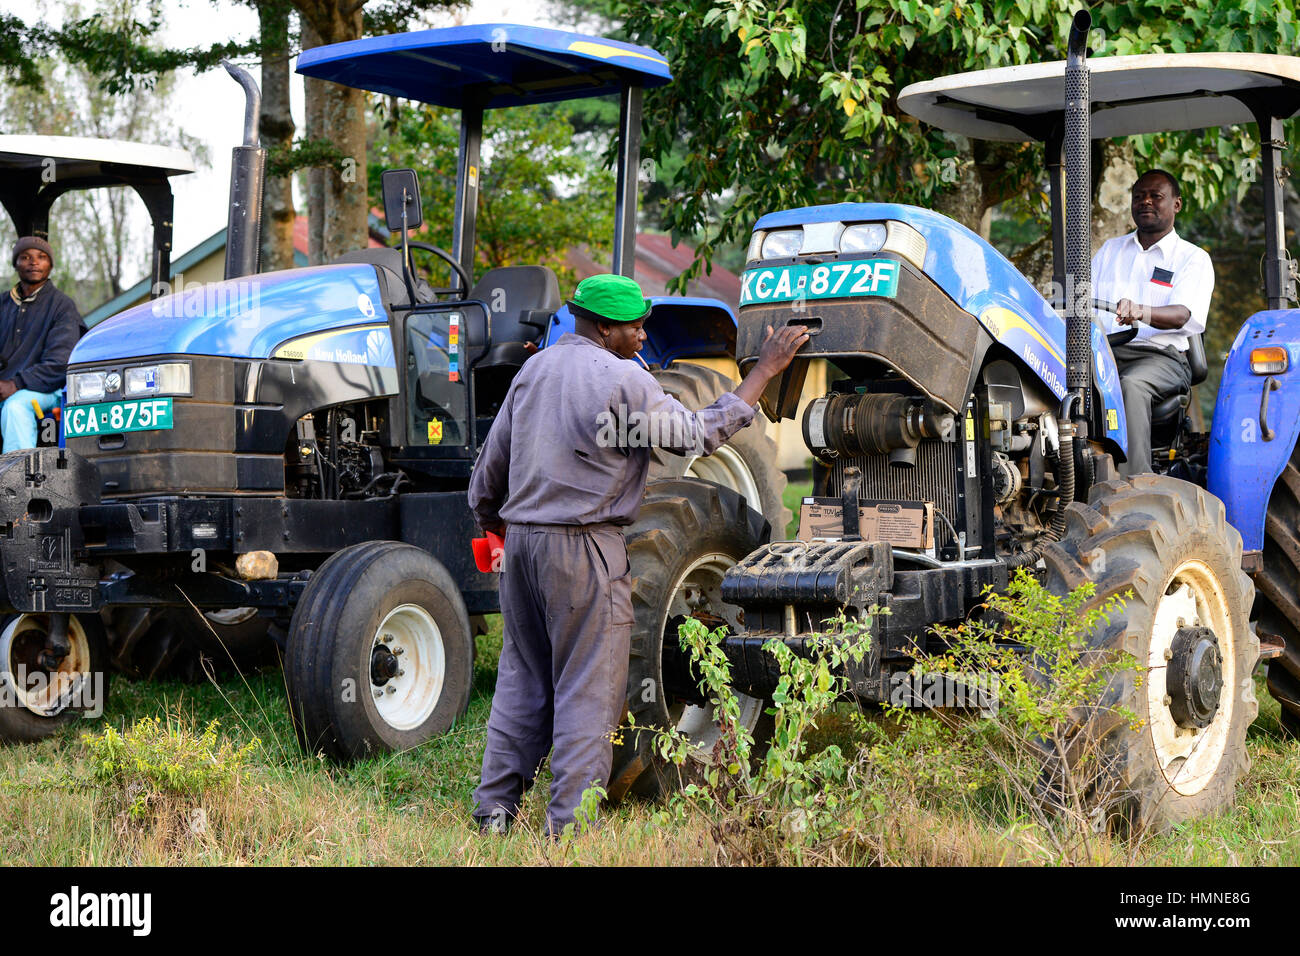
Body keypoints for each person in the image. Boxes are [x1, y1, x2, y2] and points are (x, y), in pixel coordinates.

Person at [467, 273, 808, 835]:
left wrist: (499, 531)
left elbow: (488, 475)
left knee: (521, 681)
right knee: (589, 691)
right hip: (583, 550)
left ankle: (494, 816)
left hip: (522, 546)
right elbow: (699, 434)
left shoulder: (534, 370)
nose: (644, 336)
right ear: (604, 327)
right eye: (635, 326)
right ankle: (568, 830)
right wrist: (764, 372)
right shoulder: (622, 380)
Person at [1091, 169, 1214, 476]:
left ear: (1176, 204)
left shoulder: (1192, 258)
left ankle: (1136, 483)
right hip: (1106, 353)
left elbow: (1183, 315)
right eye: (1138, 196)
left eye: (1156, 196)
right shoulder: (1110, 251)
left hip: (1162, 357)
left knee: (1131, 385)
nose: (1145, 201)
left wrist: (1140, 311)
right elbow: (1082, 302)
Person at [0, 237, 82, 452]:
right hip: (6, 385)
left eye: (41, 257)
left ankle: (18, 481)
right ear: (16, 264)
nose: (33, 262)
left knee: (15, 408)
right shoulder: (3, 304)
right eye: (25, 257)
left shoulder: (62, 306)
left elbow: (60, 363)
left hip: (48, 388)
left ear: (50, 265)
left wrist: (15, 384)